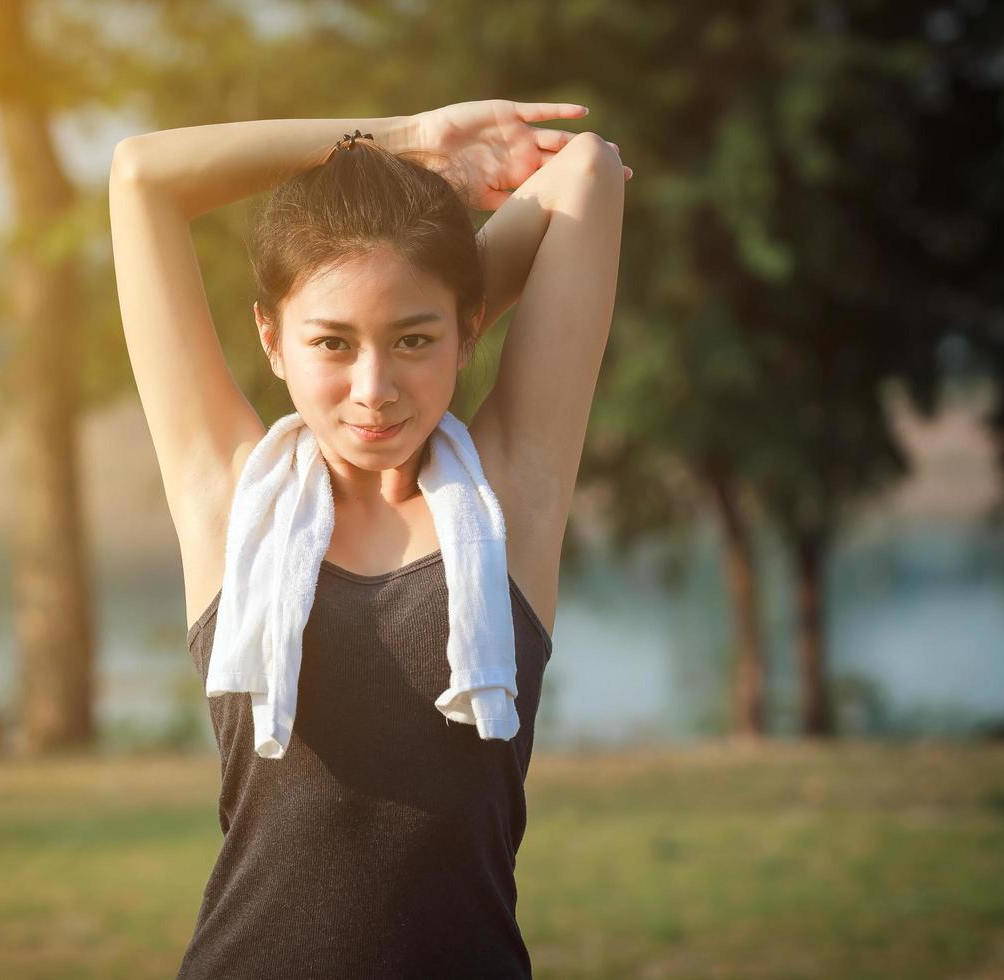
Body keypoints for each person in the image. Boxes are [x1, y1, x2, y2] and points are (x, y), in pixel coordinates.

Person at [108, 100, 626, 979]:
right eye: (333, 343)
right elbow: (141, 177)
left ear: (470, 332)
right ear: (272, 340)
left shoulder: (510, 494)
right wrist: (406, 142)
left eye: (413, 341)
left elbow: (588, 169)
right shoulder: (230, 499)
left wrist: (425, 289)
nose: (374, 389)